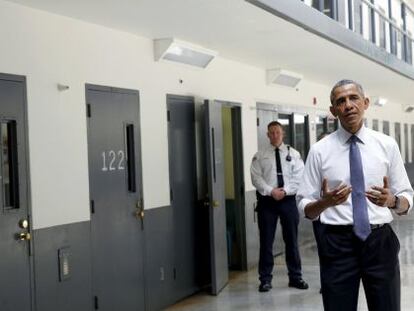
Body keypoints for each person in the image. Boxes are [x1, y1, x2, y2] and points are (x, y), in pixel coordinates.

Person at [296, 79, 413, 311]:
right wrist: (324, 203)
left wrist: (392, 201)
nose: (348, 105)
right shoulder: (320, 151)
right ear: (333, 111)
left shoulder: (386, 145)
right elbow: (304, 204)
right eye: (341, 101)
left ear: (365, 103)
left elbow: (406, 197)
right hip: (337, 245)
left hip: (379, 243)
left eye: (353, 98)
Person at [251, 121, 308, 292]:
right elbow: (256, 178)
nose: (275, 135)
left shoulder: (294, 154)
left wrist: (285, 191)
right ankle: (265, 279)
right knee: (266, 241)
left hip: (288, 201)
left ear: (282, 133)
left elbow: (299, 177)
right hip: (267, 201)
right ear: (267, 135)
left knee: (291, 240)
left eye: (277, 132)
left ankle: (296, 277)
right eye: (271, 133)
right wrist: (271, 191)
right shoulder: (260, 155)